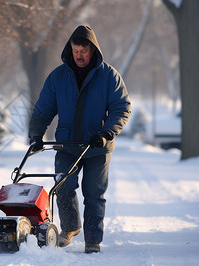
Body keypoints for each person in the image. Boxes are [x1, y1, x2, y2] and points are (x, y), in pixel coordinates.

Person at [28, 25, 131, 253]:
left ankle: (93, 240)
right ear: (70, 50)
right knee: (63, 186)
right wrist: (36, 134)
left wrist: (106, 133)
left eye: (84, 51)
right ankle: (71, 227)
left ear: (93, 50)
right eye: (76, 51)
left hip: (97, 147)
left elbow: (121, 108)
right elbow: (43, 109)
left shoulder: (109, 76)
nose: (79, 55)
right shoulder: (58, 77)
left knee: (94, 194)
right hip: (67, 145)